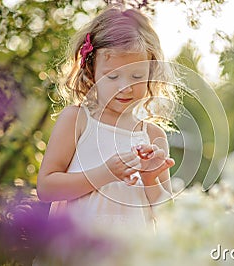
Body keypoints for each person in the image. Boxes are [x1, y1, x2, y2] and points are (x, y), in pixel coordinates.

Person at [36, 5, 181, 232]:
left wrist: (152, 179)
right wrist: (104, 174)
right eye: (112, 76)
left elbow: (168, 218)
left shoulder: (153, 136)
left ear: (151, 74)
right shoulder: (78, 120)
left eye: (136, 76)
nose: (125, 87)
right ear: (91, 70)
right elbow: (46, 188)